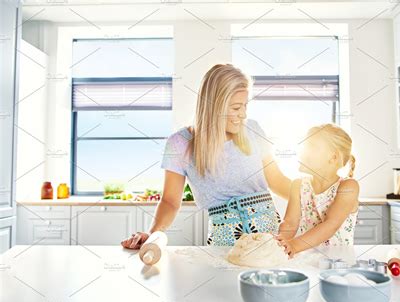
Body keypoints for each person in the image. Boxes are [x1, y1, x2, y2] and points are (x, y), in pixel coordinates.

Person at [121, 64, 291, 248]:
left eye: (245, 106)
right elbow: (170, 201)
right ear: (214, 106)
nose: (243, 114)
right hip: (223, 242)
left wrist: (315, 194)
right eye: (235, 107)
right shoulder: (179, 143)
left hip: (268, 237)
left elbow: (278, 181)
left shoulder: (253, 130)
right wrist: (153, 235)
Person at [277, 124, 359, 257]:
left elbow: (331, 224)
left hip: (339, 263)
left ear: (333, 157)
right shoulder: (298, 185)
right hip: (308, 260)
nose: (303, 151)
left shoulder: (348, 187)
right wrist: (279, 242)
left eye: (312, 147)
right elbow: (290, 223)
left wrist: (294, 245)